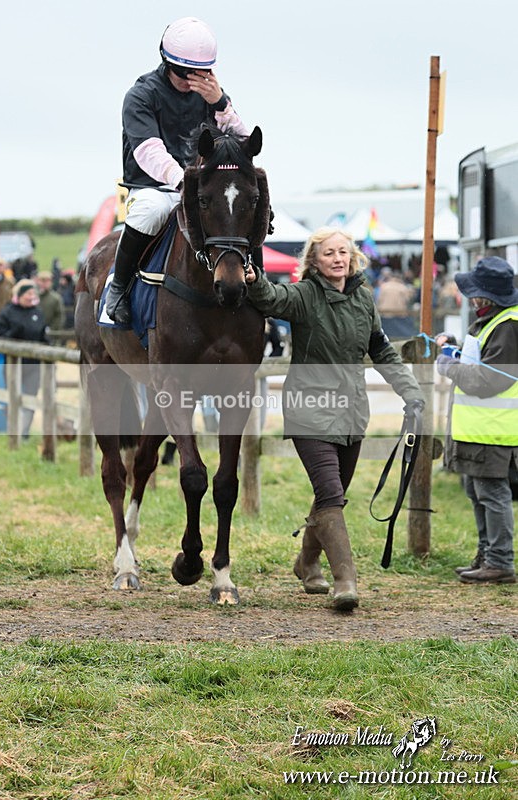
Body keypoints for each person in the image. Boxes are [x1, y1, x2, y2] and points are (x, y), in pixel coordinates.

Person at [245, 227, 424, 610]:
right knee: (330, 494)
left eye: (343, 252)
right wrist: (253, 278)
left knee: (333, 495)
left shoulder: (362, 296)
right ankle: (346, 581)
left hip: (352, 411)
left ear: (353, 257)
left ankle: (307, 561)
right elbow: (271, 297)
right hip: (309, 408)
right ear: (314, 260)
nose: (338, 258)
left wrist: (410, 391)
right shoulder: (305, 295)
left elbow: (381, 348)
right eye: (329, 253)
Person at [106, 16, 249, 325]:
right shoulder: (140, 96)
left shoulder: (211, 95)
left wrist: (220, 103)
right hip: (152, 187)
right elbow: (149, 151)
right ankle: (118, 287)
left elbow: (244, 143)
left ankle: (257, 289)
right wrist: (182, 181)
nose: (193, 80)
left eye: (202, 72)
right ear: (167, 62)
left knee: (239, 212)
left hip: (200, 189)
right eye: (186, 73)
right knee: (152, 211)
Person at [436, 256, 518, 584]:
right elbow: (482, 362)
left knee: (491, 493)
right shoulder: (493, 320)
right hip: (480, 429)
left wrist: (447, 365)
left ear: (485, 296)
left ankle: (499, 560)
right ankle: (488, 555)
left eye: (474, 292)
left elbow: (490, 381)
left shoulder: (507, 325)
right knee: (476, 489)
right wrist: (455, 351)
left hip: (493, 431)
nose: (470, 297)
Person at [0, 279, 48, 438]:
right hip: (13, 364)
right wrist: (13, 333)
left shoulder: (37, 313)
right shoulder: (7, 312)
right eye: (28, 293)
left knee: (31, 398)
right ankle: (13, 430)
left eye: (34, 293)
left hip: (33, 365)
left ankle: (24, 432)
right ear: (19, 295)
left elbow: (42, 336)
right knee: (14, 398)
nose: (32, 296)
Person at [36, 271, 65, 340]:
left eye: (47, 281)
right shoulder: (33, 296)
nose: (44, 283)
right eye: (42, 280)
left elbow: (59, 317)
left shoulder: (56, 298)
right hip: (34, 331)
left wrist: (52, 329)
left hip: (50, 332)